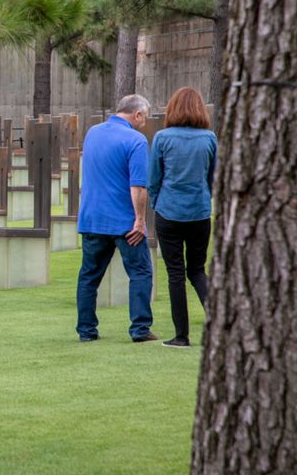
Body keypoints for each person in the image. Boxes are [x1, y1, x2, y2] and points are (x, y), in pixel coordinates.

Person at [76, 94, 156, 343]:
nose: (145, 123)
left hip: (92, 218)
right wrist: (140, 221)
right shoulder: (136, 140)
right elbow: (138, 186)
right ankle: (140, 328)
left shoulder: (92, 133)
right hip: (124, 222)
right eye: (146, 118)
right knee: (141, 272)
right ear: (137, 114)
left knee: (89, 276)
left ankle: (87, 330)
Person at [148, 87, 217, 349]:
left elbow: (155, 177)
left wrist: (157, 204)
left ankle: (181, 336)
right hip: (199, 212)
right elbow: (211, 176)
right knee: (198, 270)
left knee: (175, 273)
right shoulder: (209, 138)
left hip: (169, 211)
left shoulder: (163, 138)